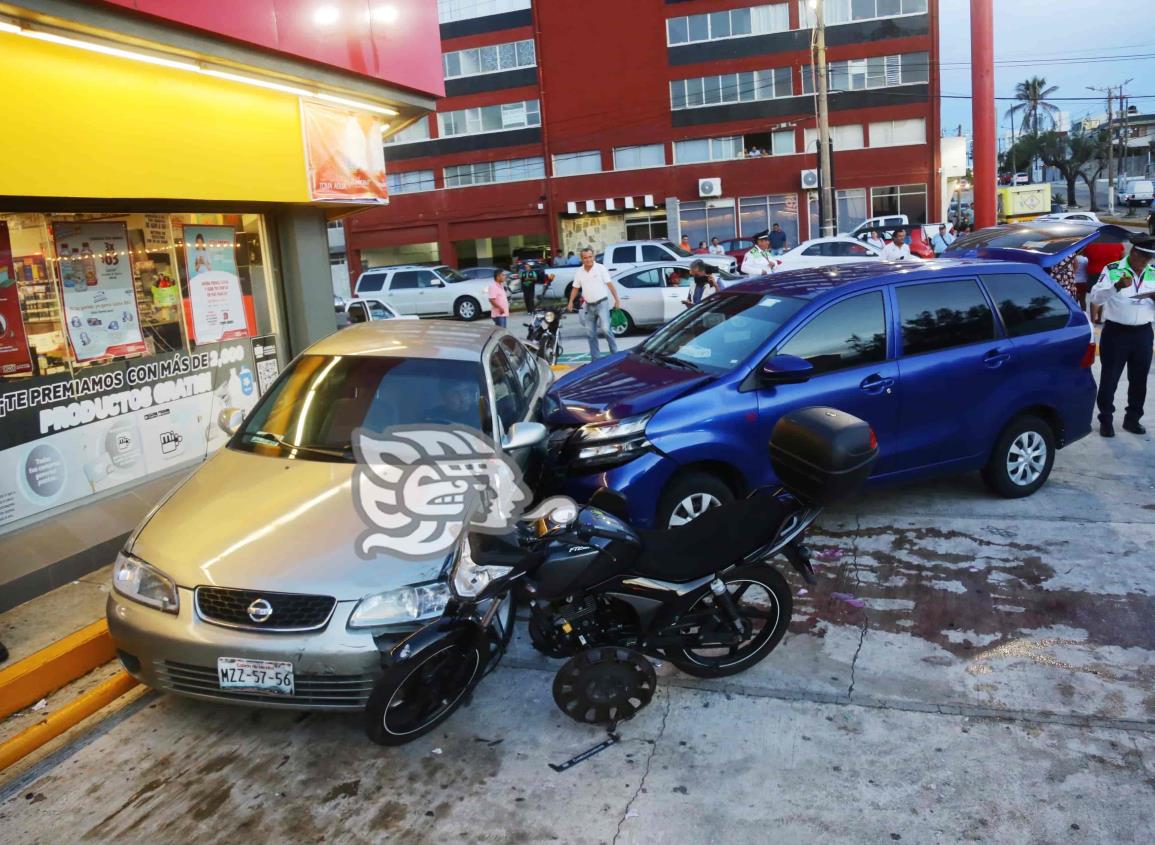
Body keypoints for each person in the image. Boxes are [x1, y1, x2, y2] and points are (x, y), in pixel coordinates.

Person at [1088, 234, 1155, 436]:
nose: (1145, 262)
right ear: (1133, 253)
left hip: (1143, 333)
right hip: (1116, 332)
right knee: (1110, 378)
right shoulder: (1113, 270)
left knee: (1139, 379)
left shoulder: (1153, 273)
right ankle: (1106, 419)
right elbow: (1095, 297)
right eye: (1143, 257)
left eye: (1149, 259)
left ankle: (1132, 419)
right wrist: (1116, 286)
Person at [567, 248, 622, 360]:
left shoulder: (601, 269)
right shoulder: (579, 272)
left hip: (602, 303)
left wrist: (617, 300)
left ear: (593, 257)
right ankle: (595, 359)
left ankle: (615, 355)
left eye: (590, 257)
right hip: (588, 305)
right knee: (590, 334)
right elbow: (575, 288)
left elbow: (610, 285)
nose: (588, 260)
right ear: (582, 259)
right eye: (585, 257)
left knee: (606, 329)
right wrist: (570, 301)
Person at [1084, 239, 1126, 324]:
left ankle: (1092, 321)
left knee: (1095, 295)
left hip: (1095, 272)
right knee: (1104, 294)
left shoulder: (1091, 243)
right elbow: (1122, 259)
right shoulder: (1118, 244)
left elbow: (1085, 256)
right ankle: (1099, 318)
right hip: (1112, 272)